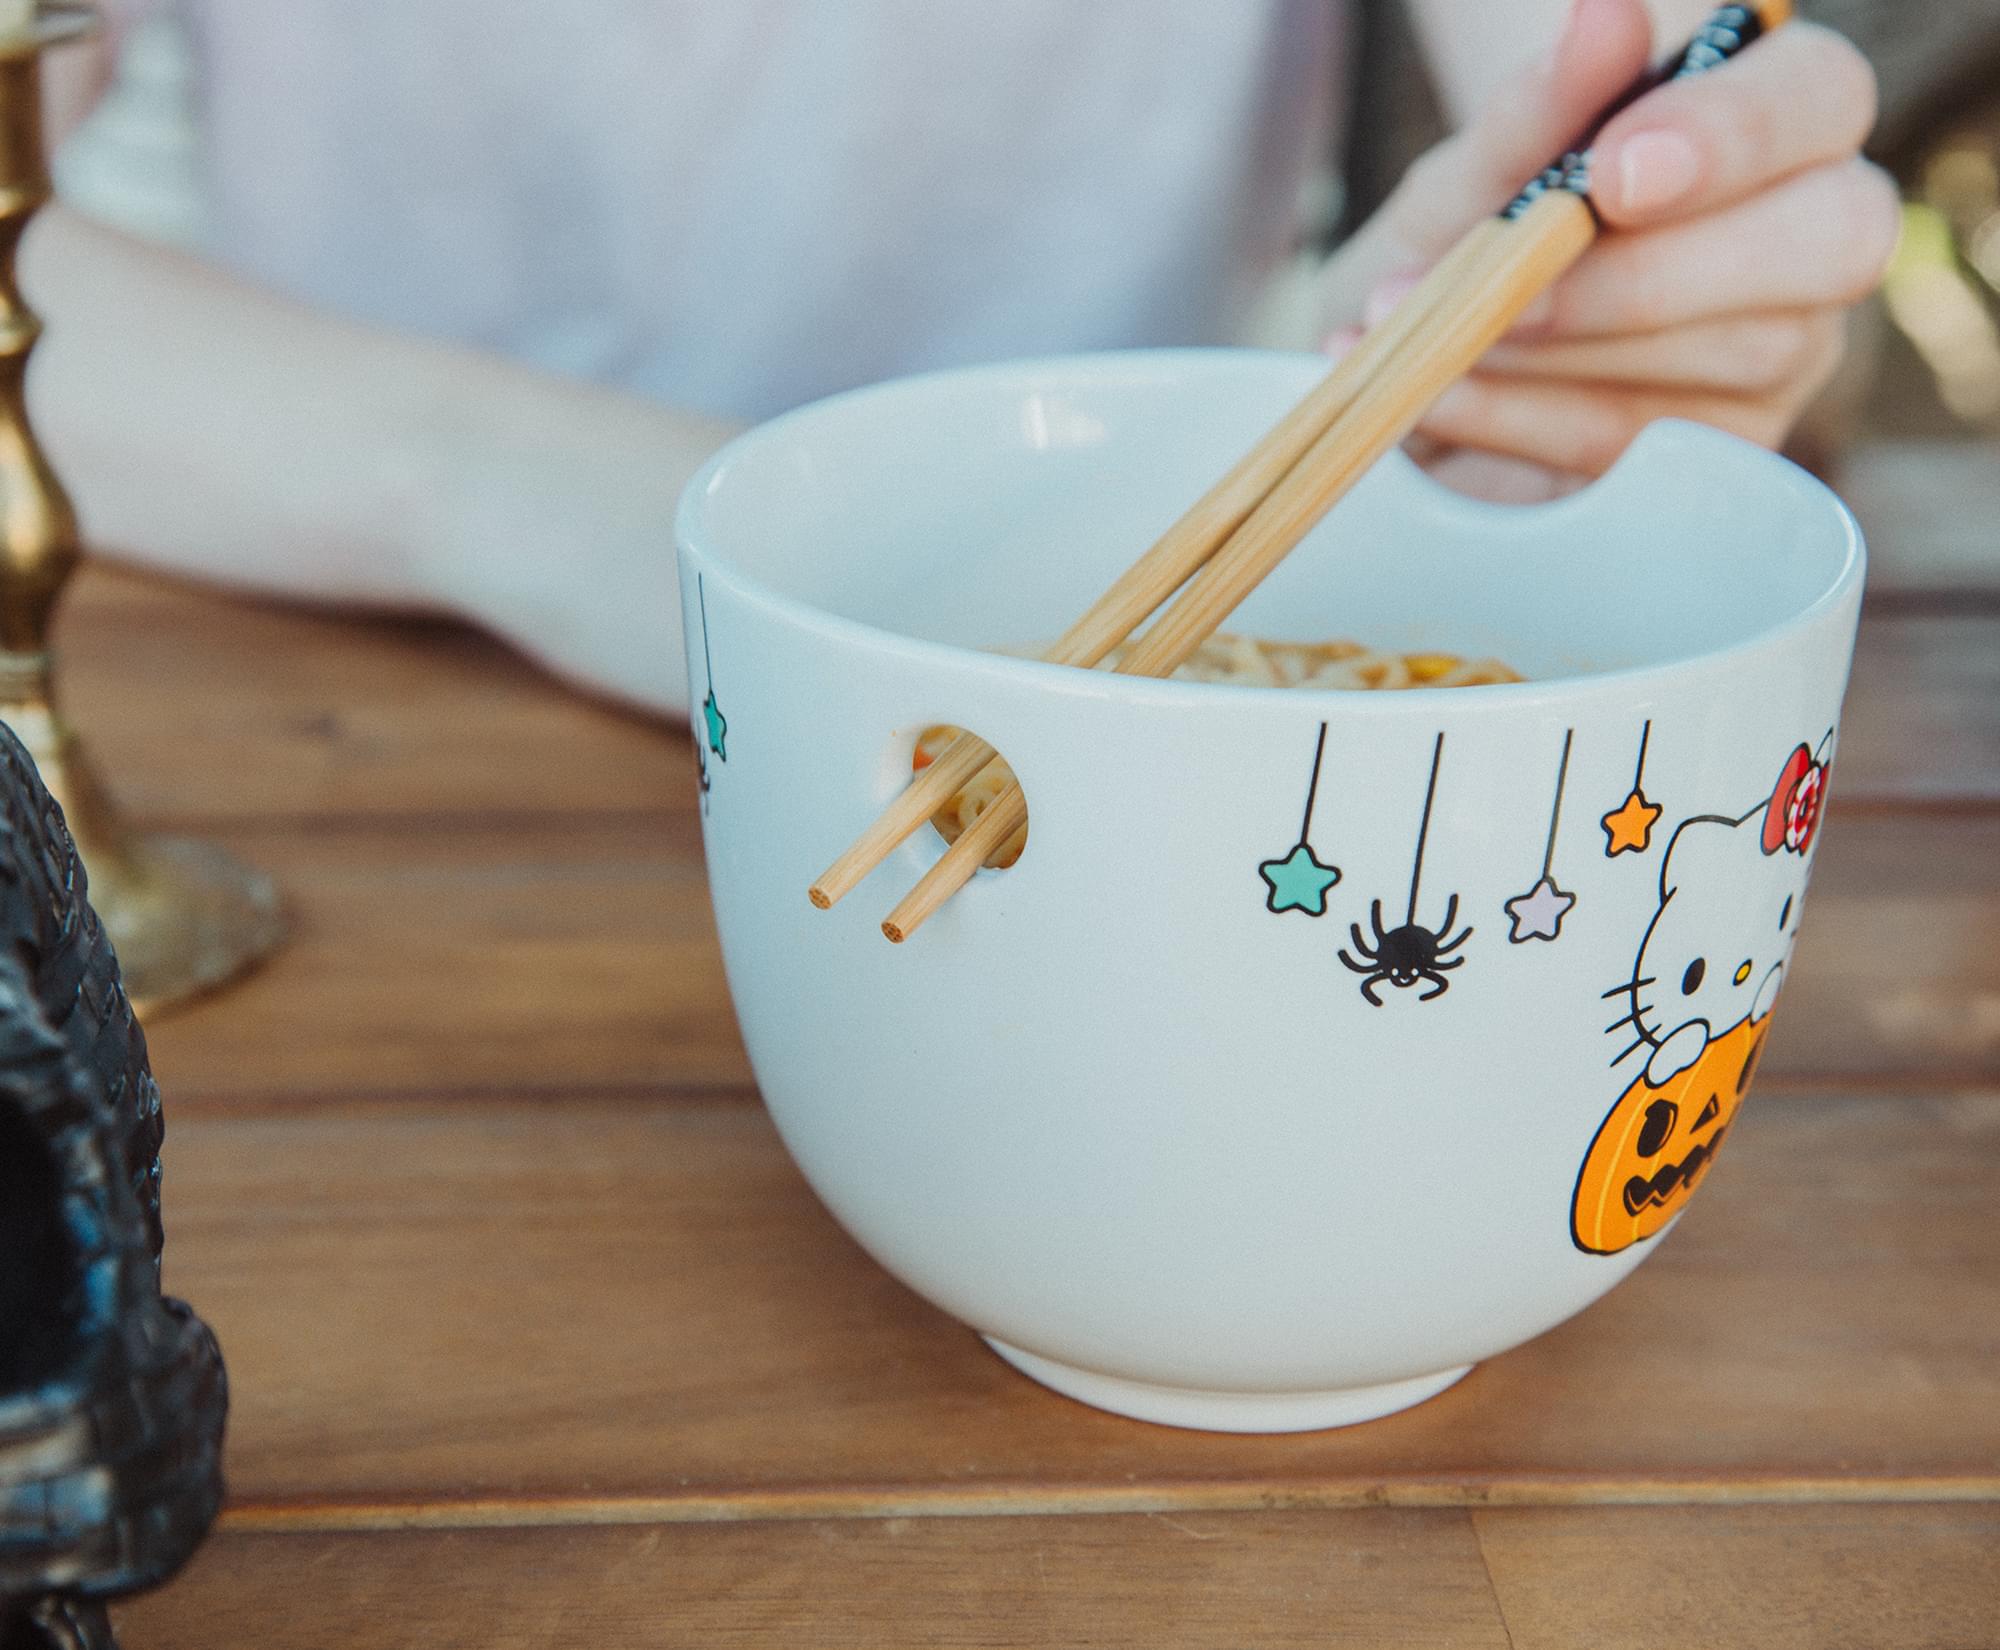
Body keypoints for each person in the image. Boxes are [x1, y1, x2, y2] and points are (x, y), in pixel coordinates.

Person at [29, 0, 1895, 715]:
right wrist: (626, 522)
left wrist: (1673, 259)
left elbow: (1611, 76)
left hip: (1171, 702)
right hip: (290, 675)